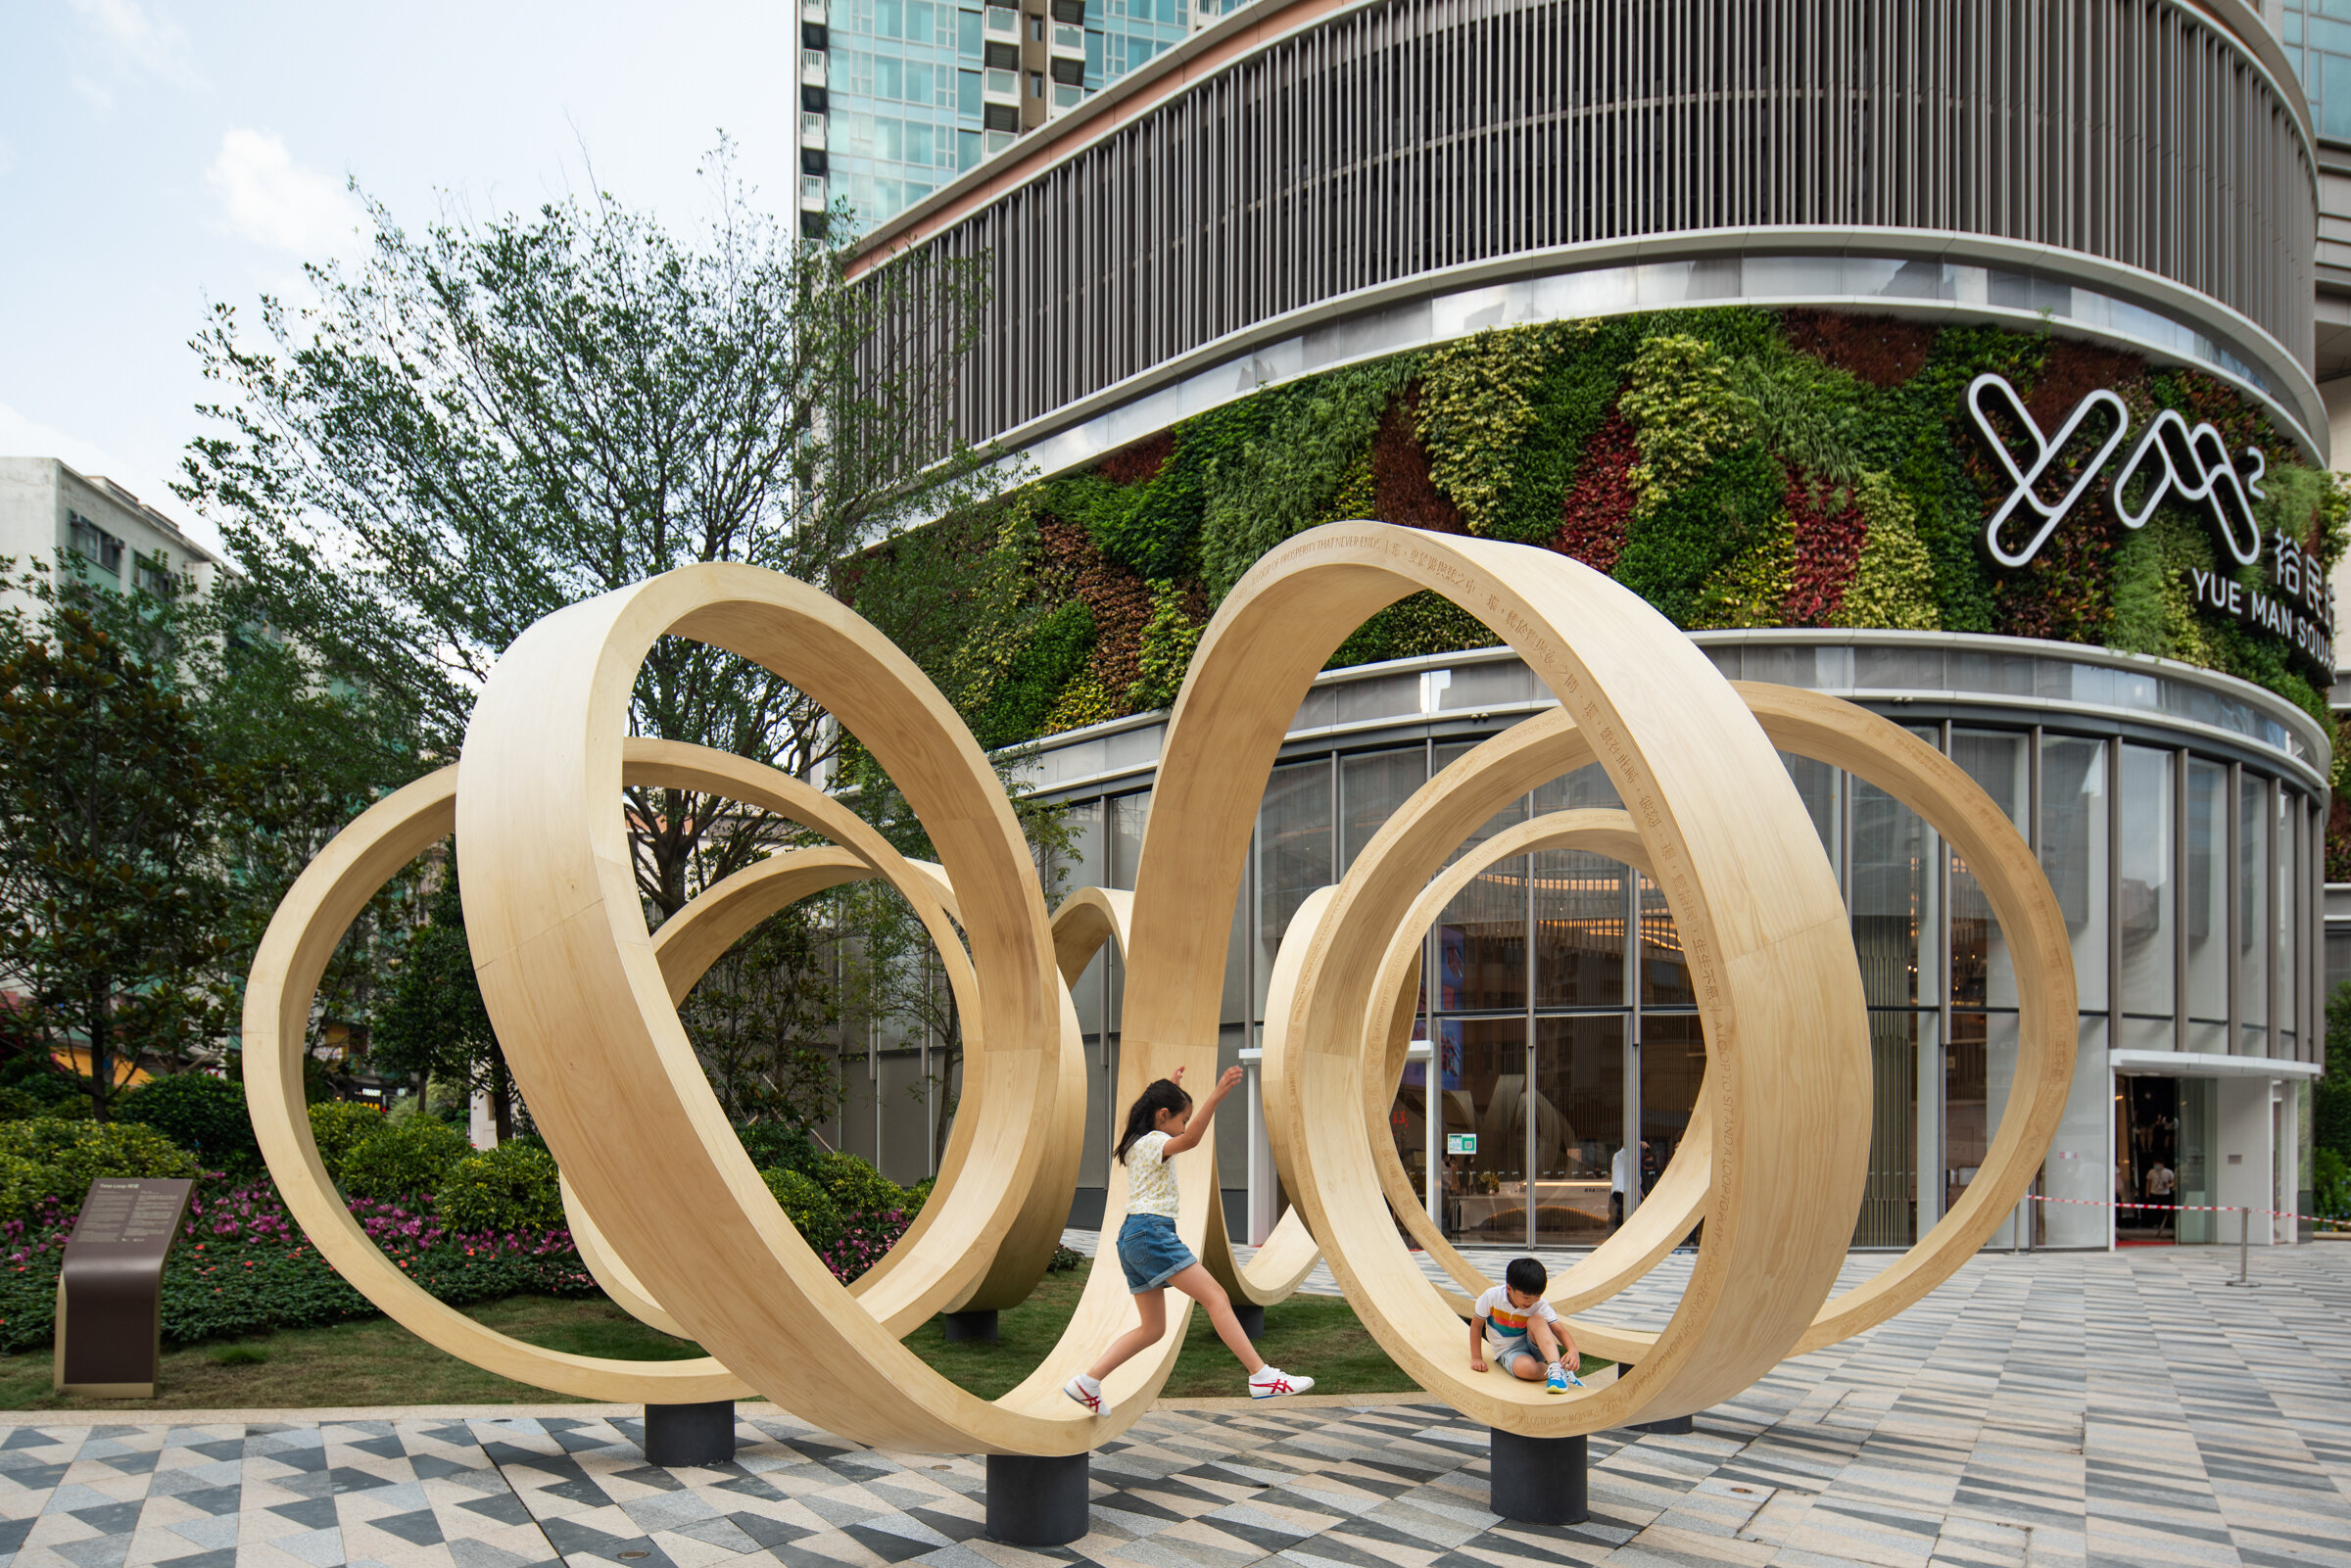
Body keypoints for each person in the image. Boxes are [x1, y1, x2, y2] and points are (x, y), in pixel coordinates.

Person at [1064, 1066, 1312, 1416]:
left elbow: (1159, 1112)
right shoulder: (1155, 1142)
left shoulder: (1138, 1142)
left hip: (1132, 1237)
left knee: (1153, 1329)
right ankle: (1261, 1376)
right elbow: (1191, 1139)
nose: (1184, 1126)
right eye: (1182, 1118)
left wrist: (1171, 1089)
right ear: (1162, 1116)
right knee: (1217, 1297)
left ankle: (1087, 1382)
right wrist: (1216, 1095)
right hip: (1152, 1233)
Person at [1470, 1257, 1583, 1395]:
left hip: (1535, 1344)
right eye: (1527, 1297)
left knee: (1536, 1319)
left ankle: (1555, 1368)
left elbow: (1559, 1330)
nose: (1532, 1301)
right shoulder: (1491, 1297)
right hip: (1508, 1350)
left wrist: (1573, 1350)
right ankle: (1561, 1371)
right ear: (1509, 1289)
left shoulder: (1538, 1304)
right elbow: (1476, 1326)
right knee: (1525, 1369)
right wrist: (1476, 1358)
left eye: (1538, 1296)